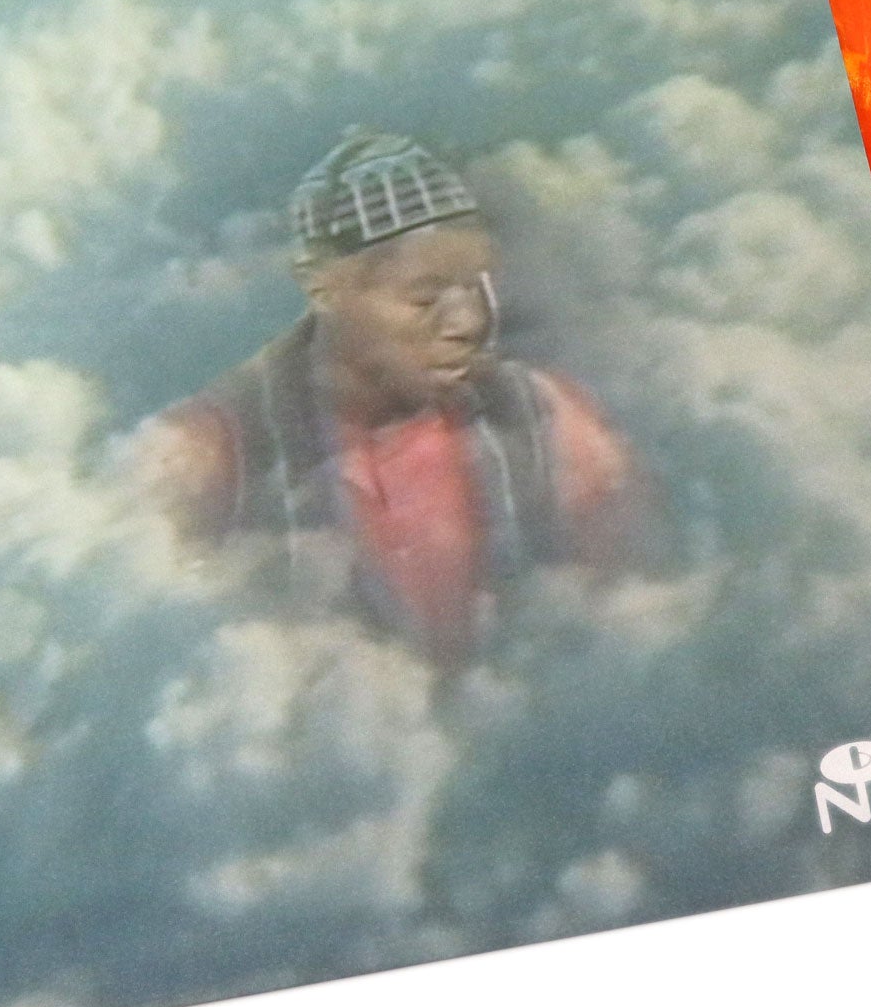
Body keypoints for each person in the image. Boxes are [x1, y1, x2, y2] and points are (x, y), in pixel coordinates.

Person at [138, 128, 645, 666]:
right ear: (325, 291)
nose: (467, 322)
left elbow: (629, 631)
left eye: (475, 287)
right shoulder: (214, 454)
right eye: (423, 298)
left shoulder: (548, 421)